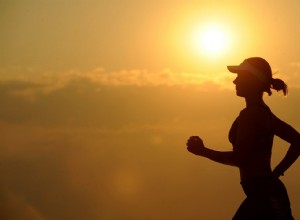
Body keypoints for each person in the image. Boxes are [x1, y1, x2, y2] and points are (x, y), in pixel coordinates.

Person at [186, 57, 300, 219]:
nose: (234, 81)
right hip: (268, 194)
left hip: (264, 197)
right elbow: (298, 141)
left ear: (253, 80)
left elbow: (240, 158)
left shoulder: (250, 114)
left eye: (240, 76)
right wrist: (276, 174)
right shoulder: (264, 112)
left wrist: (203, 151)